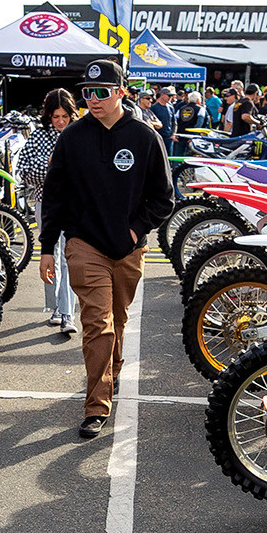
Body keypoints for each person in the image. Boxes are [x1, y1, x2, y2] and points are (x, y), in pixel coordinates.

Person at [37, 58, 174, 440]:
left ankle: (109, 370)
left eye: (102, 92)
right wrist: (47, 247)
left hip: (128, 250)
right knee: (97, 324)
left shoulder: (146, 137)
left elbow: (164, 199)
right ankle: (96, 406)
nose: (93, 99)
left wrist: (135, 231)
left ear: (121, 92)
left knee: (117, 320)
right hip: (84, 245)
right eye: (87, 93)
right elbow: (55, 197)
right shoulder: (72, 137)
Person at [16, 88, 79, 335]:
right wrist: (53, 167)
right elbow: (24, 170)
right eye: (55, 116)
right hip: (46, 202)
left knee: (68, 255)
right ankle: (54, 307)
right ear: (48, 116)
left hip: (75, 204)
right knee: (49, 254)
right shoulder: (39, 136)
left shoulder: (79, 133)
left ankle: (67, 312)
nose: (61, 121)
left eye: (65, 115)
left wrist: (53, 170)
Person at [149, 85, 176, 151]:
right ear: (162, 95)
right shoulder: (154, 108)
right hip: (158, 137)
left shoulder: (171, 108)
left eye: (171, 96)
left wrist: (173, 134)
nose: (170, 97)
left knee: (169, 158)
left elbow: (174, 123)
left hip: (168, 137)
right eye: (168, 95)